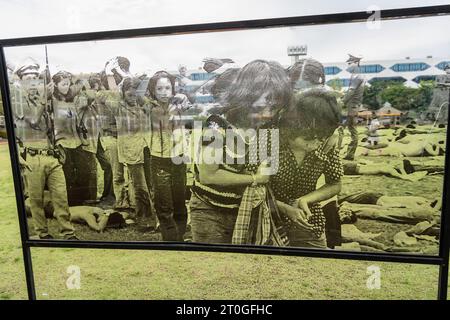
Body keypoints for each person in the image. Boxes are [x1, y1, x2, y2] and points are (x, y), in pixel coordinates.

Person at [189, 60, 291, 245]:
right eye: (262, 106)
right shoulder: (215, 125)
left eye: (275, 108)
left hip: (243, 210)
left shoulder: (267, 129)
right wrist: (255, 179)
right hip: (209, 211)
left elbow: (268, 169)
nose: (268, 114)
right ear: (245, 96)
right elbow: (208, 175)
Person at [273, 58, 343, 248]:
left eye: (308, 88)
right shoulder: (272, 126)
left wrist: (329, 132)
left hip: (311, 210)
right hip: (273, 217)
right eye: (296, 88)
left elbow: (335, 183)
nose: (301, 94)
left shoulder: (325, 128)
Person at [12, 61, 77, 240]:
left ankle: (68, 233)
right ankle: (43, 234)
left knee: (61, 197)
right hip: (32, 157)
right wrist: (44, 98)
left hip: (51, 156)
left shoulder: (45, 99)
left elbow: (53, 127)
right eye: (28, 78)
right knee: (36, 200)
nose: (32, 81)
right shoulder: (17, 100)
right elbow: (33, 120)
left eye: (35, 77)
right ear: (21, 81)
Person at [146, 71, 191, 241]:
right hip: (159, 160)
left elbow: (192, 101)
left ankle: (178, 238)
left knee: (180, 203)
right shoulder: (148, 108)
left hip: (179, 158)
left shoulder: (180, 105)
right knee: (164, 205)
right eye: (159, 88)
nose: (164, 91)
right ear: (153, 90)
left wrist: (182, 96)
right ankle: (171, 240)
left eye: (167, 87)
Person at [116, 77, 156, 232]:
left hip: (146, 147)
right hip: (132, 151)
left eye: (135, 90)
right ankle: (144, 219)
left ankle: (152, 216)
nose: (132, 93)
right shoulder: (119, 107)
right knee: (140, 187)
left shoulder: (143, 105)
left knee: (151, 184)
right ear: (123, 91)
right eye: (128, 90)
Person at [52, 70, 97, 206]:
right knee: (68, 175)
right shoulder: (51, 101)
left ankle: (81, 200)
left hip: (77, 142)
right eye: (63, 84)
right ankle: (71, 204)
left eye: (68, 84)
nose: (66, 87)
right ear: (55, 85)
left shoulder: (72, 99)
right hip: (62, 143)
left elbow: (90, 94)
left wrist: (78, 78)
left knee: (85, 172)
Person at [338, 54, 365, 160]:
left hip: (351, 108)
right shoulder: (356, 76)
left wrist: (342, 101)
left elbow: (351, 91)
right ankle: (349, 154)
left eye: (349, 63)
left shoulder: (357, 77)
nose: (348, 66)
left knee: (341, 129)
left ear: (356, 63)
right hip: (353, 106)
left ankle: (337, 152)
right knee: (351, 130)